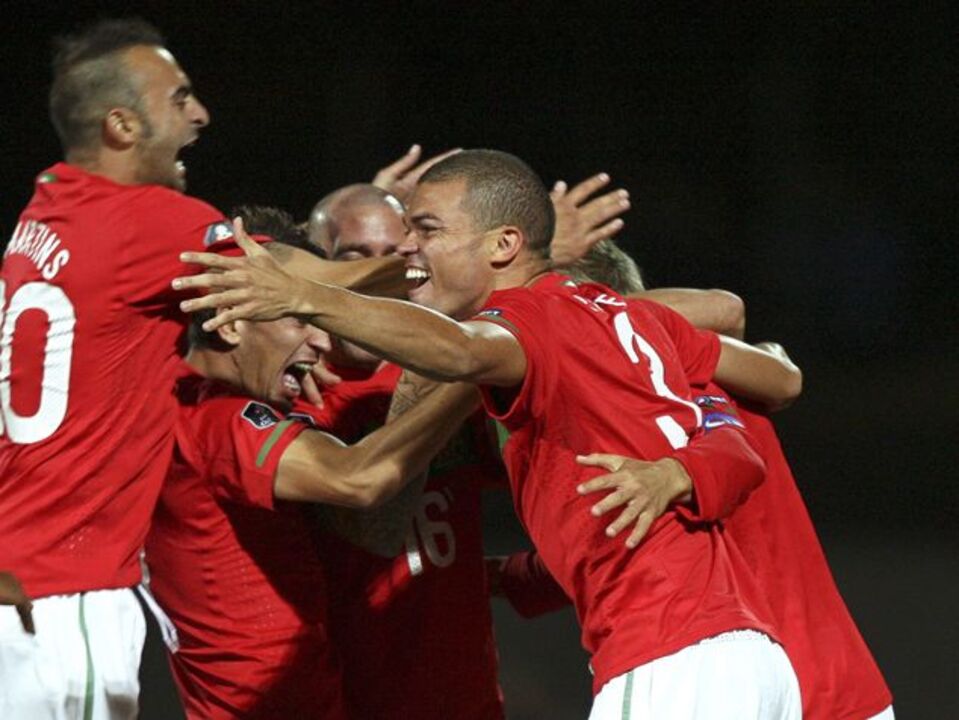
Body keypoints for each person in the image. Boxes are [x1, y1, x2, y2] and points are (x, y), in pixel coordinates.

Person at [176, 149, 805, 719]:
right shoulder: (292, 406)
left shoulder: (505, 339)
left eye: (420, 236)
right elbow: (372, 503)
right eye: (353, 260)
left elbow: (732, 326)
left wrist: (326, 302)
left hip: (669, 647)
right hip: (714, 643)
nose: (401, 262)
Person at [0, 19, 401, 719]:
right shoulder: (147, 221)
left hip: (18, 573)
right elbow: (297, 279)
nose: (199, 114)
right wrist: (426, 264)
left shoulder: (40, 218)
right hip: (71, 592)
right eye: (179, 97)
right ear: (123, 125)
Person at [144, 220, 478, 719]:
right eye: (299, 320)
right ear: (232, 323)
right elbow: (359, 479)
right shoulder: (218, 419)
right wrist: (470, 367)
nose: (323, 345)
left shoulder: (167, 399)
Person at [569, 241, 894, 719]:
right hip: (842, 687)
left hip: (726, 683)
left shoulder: (626, 416)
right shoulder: (727, 382)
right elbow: (738, 324)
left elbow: (728, 312)